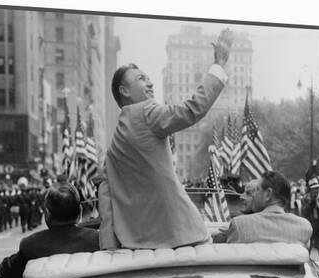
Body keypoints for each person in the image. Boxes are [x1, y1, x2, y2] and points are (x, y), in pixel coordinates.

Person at [99, 28, 235, 249]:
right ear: (124, 91)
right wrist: (219, 65)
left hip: (134, 243)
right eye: (142, 79)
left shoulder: (115, 145)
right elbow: (192, 110)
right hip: (178, 236)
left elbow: (106, 200)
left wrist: (110, 251)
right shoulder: (145, 112)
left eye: (149, 79)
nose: (150, 84)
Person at [0, 183, 100, 278]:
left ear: (47, 213)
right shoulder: (95, 239)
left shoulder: (31, 244)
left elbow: (5, 272)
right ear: (80, 212)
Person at [214, 171, 312, 246]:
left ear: (268, 194)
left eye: (257, 190)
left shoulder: (239, 225)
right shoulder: (304, 227)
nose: (254, 195)